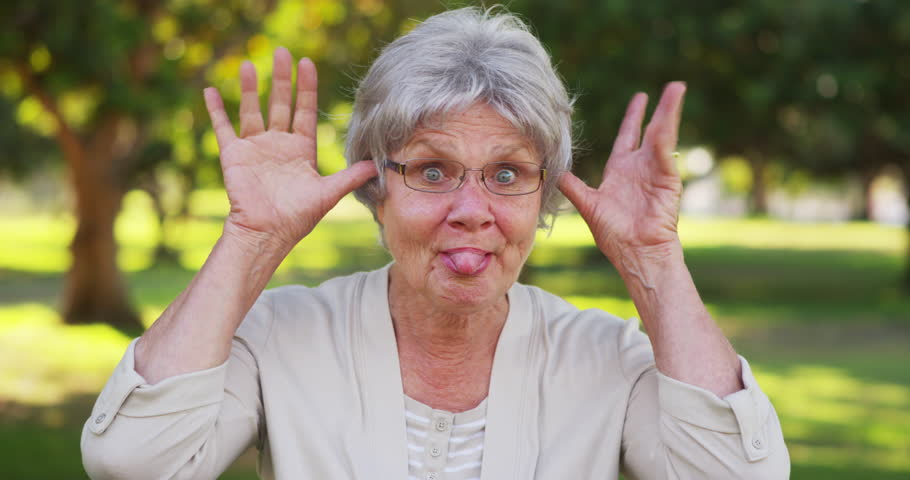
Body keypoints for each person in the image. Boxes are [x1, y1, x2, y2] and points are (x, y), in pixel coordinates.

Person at [81, 7, 789, 480]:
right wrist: (251, 239)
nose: (472, 211)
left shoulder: (610, 358)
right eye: (431, 169)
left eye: (507, 173)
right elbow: (133, 460)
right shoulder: (278, 338)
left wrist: (653, 258)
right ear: (374, 186)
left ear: (546, 194)